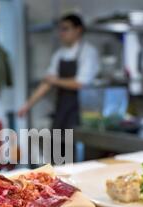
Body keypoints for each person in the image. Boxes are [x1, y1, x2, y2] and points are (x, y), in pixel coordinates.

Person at [18, 14, 99, 160]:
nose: (61, 33)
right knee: (58, 155)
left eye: (65, 29)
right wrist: (27, 105)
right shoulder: (59, 55)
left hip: (81, 114)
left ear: (78, 30)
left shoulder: (88, 52)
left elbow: (80, 83)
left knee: (76, 156)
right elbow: (47, 83)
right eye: (60, 29)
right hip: (61, 111)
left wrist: (55, 81)